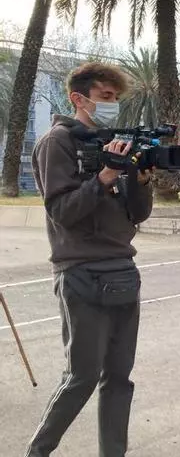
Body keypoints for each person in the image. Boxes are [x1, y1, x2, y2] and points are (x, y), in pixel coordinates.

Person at [26, 62, 154, 456]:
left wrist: (141, 179)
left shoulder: (114, 144)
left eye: (116, 98)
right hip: (81, 271)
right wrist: (103, 178)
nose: (113, 104)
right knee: (81, 376)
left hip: (123, 270)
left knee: (119, 378)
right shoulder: (56, 142)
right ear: (78, 98)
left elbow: (138, 213)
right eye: (105, 96)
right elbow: (62, 211)